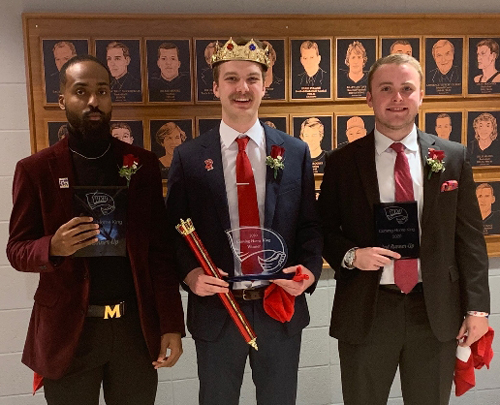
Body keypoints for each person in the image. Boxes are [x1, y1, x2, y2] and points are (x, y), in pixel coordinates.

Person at [7, 55, 185, 405]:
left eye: (102, 91)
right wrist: (52, 246)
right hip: (69, 333)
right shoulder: (36, 170)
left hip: (133, 329)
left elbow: (160, 253)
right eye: (81, 91)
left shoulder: (142, 164)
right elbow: (17, 250)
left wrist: (171, 324)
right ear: (62, 100)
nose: (93, 100)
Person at [319, 53, 490, 405]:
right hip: (368, 310)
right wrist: (351, 255)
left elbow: (470, 239)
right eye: (386, 88)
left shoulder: (452, 157)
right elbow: (322, 230)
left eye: (407, 88)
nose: (397, 98)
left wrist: (478, 310)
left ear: (421, 96)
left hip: (435, 311)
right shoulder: (342, 162)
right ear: (369, 97)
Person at [166, 37, 323, 405]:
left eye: (252, 78)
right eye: (232, 79)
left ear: (265, 85)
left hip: (278, 307)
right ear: (216, 88)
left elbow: (310, 226)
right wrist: (190, 274)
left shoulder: (294, 151)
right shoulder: (189, 157)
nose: (242, 88)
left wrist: (310, 272)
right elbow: (172, 230)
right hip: (218, 309)